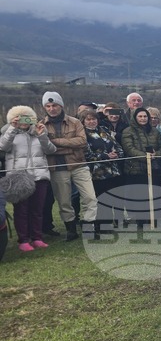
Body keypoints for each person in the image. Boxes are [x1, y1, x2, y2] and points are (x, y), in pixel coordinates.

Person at [41, 91, 97, 241]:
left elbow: (81, 142)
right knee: (64, 202)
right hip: (57, 167)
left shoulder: (75, 122)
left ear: (61, 105)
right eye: (48, 105)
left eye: (55, 105)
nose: (52, 108)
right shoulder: (41, 125)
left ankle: (88, 227)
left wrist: (56, 142)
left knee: (90, 197)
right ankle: (71, 230)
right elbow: (45, 148)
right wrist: (68, 144)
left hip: (79, 164)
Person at [0, 106, 56, 252]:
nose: (24, 121)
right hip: (19, 178)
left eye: (27, 118)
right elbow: (3, 147)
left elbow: (51, 150)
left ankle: (37, 237)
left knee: (38, 209)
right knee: (21, 210)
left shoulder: (38, 132)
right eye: (20, 118)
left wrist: (42, 135)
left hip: (39, 175)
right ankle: (23, 239)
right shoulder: (8, 132)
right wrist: (12, 128)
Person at [78, 106, 124, 206]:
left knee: (117, 200)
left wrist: (117, 154)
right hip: (97, 174)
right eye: (88, 119)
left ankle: (119, 221)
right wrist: (106, 156)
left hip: (114, 172)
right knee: (102, 203)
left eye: (94, 119)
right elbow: (87, 154)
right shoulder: (82, 134)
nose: (92, 121)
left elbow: (117, 146)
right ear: (83, 121)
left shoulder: (104, 130)